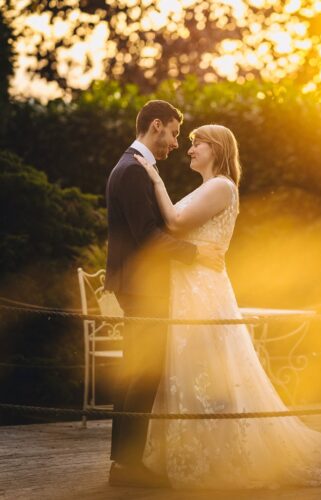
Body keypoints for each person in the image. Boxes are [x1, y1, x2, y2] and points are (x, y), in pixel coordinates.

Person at [133, 124, 321, 489]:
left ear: (218, 148)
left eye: (197, 143)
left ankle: (224, 454)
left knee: (208, 369)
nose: (189, 149)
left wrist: (155, 181)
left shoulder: (221, 186)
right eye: (190, 143)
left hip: (202, 291)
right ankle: (192, 450)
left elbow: (175, 222)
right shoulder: (207, 187)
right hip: (190, 288)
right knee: (191, 371)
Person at [104, 100, 225, 488]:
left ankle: (123, 463)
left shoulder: (135, 167)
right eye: (174, 132)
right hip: (142, 289)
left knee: (137, 375)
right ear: (156, 126)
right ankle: (127, 467)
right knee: (142, 376)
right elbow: (149, 238)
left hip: (137, 287)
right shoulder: (133, 171)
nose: (175, 143)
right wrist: (196, 255)